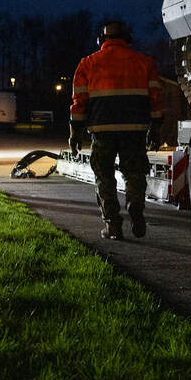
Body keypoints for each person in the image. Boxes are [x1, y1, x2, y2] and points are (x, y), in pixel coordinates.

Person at [68, 20, 163, 240]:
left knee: (104, 177)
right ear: (127, 39)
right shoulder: (145, 63)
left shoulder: (87, 64)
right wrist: (156, 128)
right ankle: (135, 205)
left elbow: (78, 102)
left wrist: (75, 133)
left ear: (101, 40)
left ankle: (112, 225)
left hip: (102, 131)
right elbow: (156, 100)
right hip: (135, 130)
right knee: (135, 174)